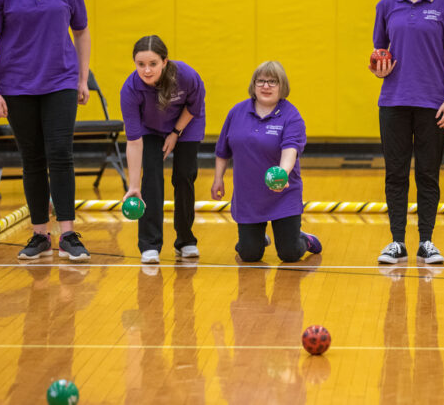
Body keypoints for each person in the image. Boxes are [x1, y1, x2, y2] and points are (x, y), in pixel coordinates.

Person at [0, 0, 91, 261]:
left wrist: (82, 79)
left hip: (60, 82)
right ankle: (40, 233)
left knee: (60, 152)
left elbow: (81, 32)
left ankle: (68, 233)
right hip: (16, 86)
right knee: (33, 157)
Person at [370, 0, 444, 265]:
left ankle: (427, 241)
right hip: (394, 101)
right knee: (395, 173)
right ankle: (397, 241)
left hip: (433, 103)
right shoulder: (387, 5)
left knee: (428, 173)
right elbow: (380, 55)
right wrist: (378, 69)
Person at [211, 61, 321, 262]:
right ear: (253, 85)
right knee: (249, 254)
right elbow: (222, 150)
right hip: (249, 196)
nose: (266, 86)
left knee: (288, 253)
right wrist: (218, 178)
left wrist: (283, 175)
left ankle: (305, 239)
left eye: (272, 82)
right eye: (261, 81)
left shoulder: (291, 115)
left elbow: (290, 151)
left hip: (283, 193)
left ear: (282, 86)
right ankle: (254, 239)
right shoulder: (237, 112)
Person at [120, 35, 205, 264]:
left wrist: (175, 133)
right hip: (151, 129)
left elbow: (194, 106)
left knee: (184, 176)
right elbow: (134, 141)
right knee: (152, 178)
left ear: (165, 62)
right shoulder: (130, 90)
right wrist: (134, 186)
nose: (146, 70)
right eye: (141, 65)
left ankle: (186, 240)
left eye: (153, 64)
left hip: (186, 124)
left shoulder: (186, 75)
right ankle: (150, 245)